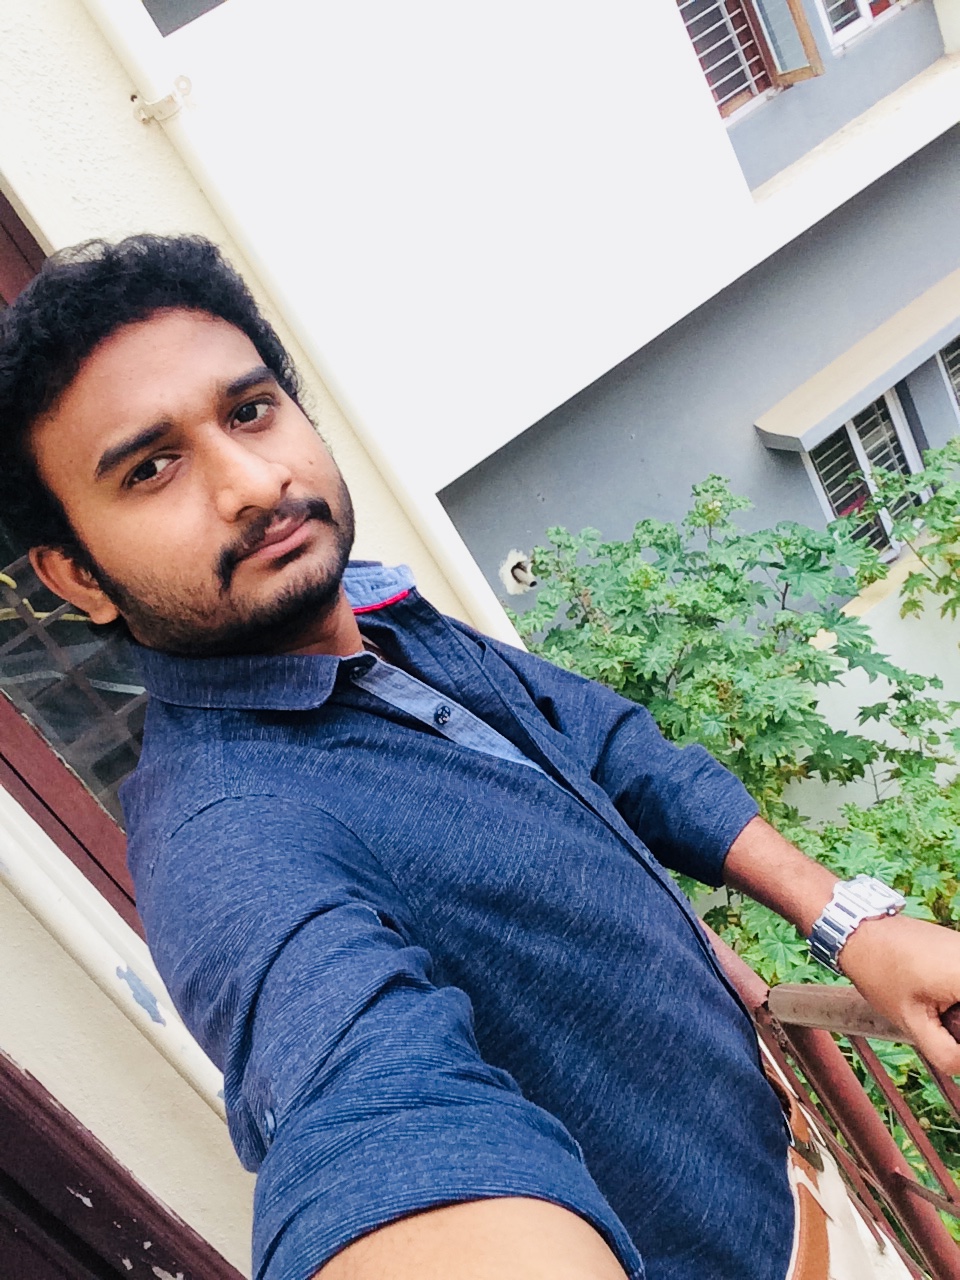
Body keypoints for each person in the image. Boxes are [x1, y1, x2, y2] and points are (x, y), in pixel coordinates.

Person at [2, 235, 958, 1280]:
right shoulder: (225, 837)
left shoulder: (381, 616)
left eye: (249, 410)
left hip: (795, 1165)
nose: (252, 483)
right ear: (77, 574)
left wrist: (845, 918)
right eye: (151, 468)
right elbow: (359, 1093)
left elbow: (601, 742)